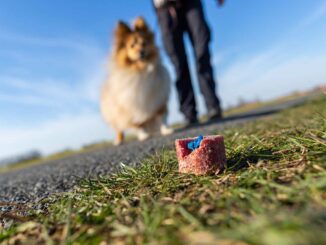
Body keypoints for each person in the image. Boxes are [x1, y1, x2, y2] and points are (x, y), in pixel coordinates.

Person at [153, 0, 224, 126]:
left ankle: (213, 105)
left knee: (202, 52)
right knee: (178, 63)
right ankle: (189, 113)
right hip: (164, 8)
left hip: (192, 3)